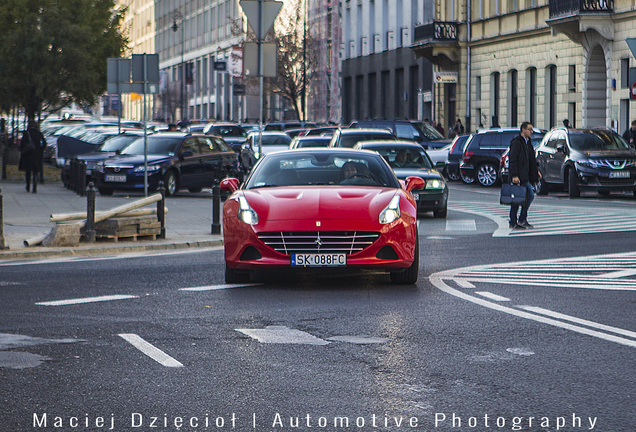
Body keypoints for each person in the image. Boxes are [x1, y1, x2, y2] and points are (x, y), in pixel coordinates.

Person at [508, 122, 541, 229]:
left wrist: (536, 172)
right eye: (529, 129)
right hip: (519, 176)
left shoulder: (528, 142)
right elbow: (512, 160)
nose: (531, 131)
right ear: (523, 129)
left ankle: (520, 220)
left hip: (525, 175)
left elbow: (531, 159)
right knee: (521, 197)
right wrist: (514, 175)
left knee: (523, 197)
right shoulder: (517, 143)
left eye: (532, 129)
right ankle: (515, 221)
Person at [19, 121, 47, 193]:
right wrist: (40, 150)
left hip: (28, 155)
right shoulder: (39, 133)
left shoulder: (27, 133)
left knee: (28, 171)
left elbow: (22, 144)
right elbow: (44, 143)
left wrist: (23, 150)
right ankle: (34, 187)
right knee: (35, 171)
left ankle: (28, 186)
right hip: (37, 155)